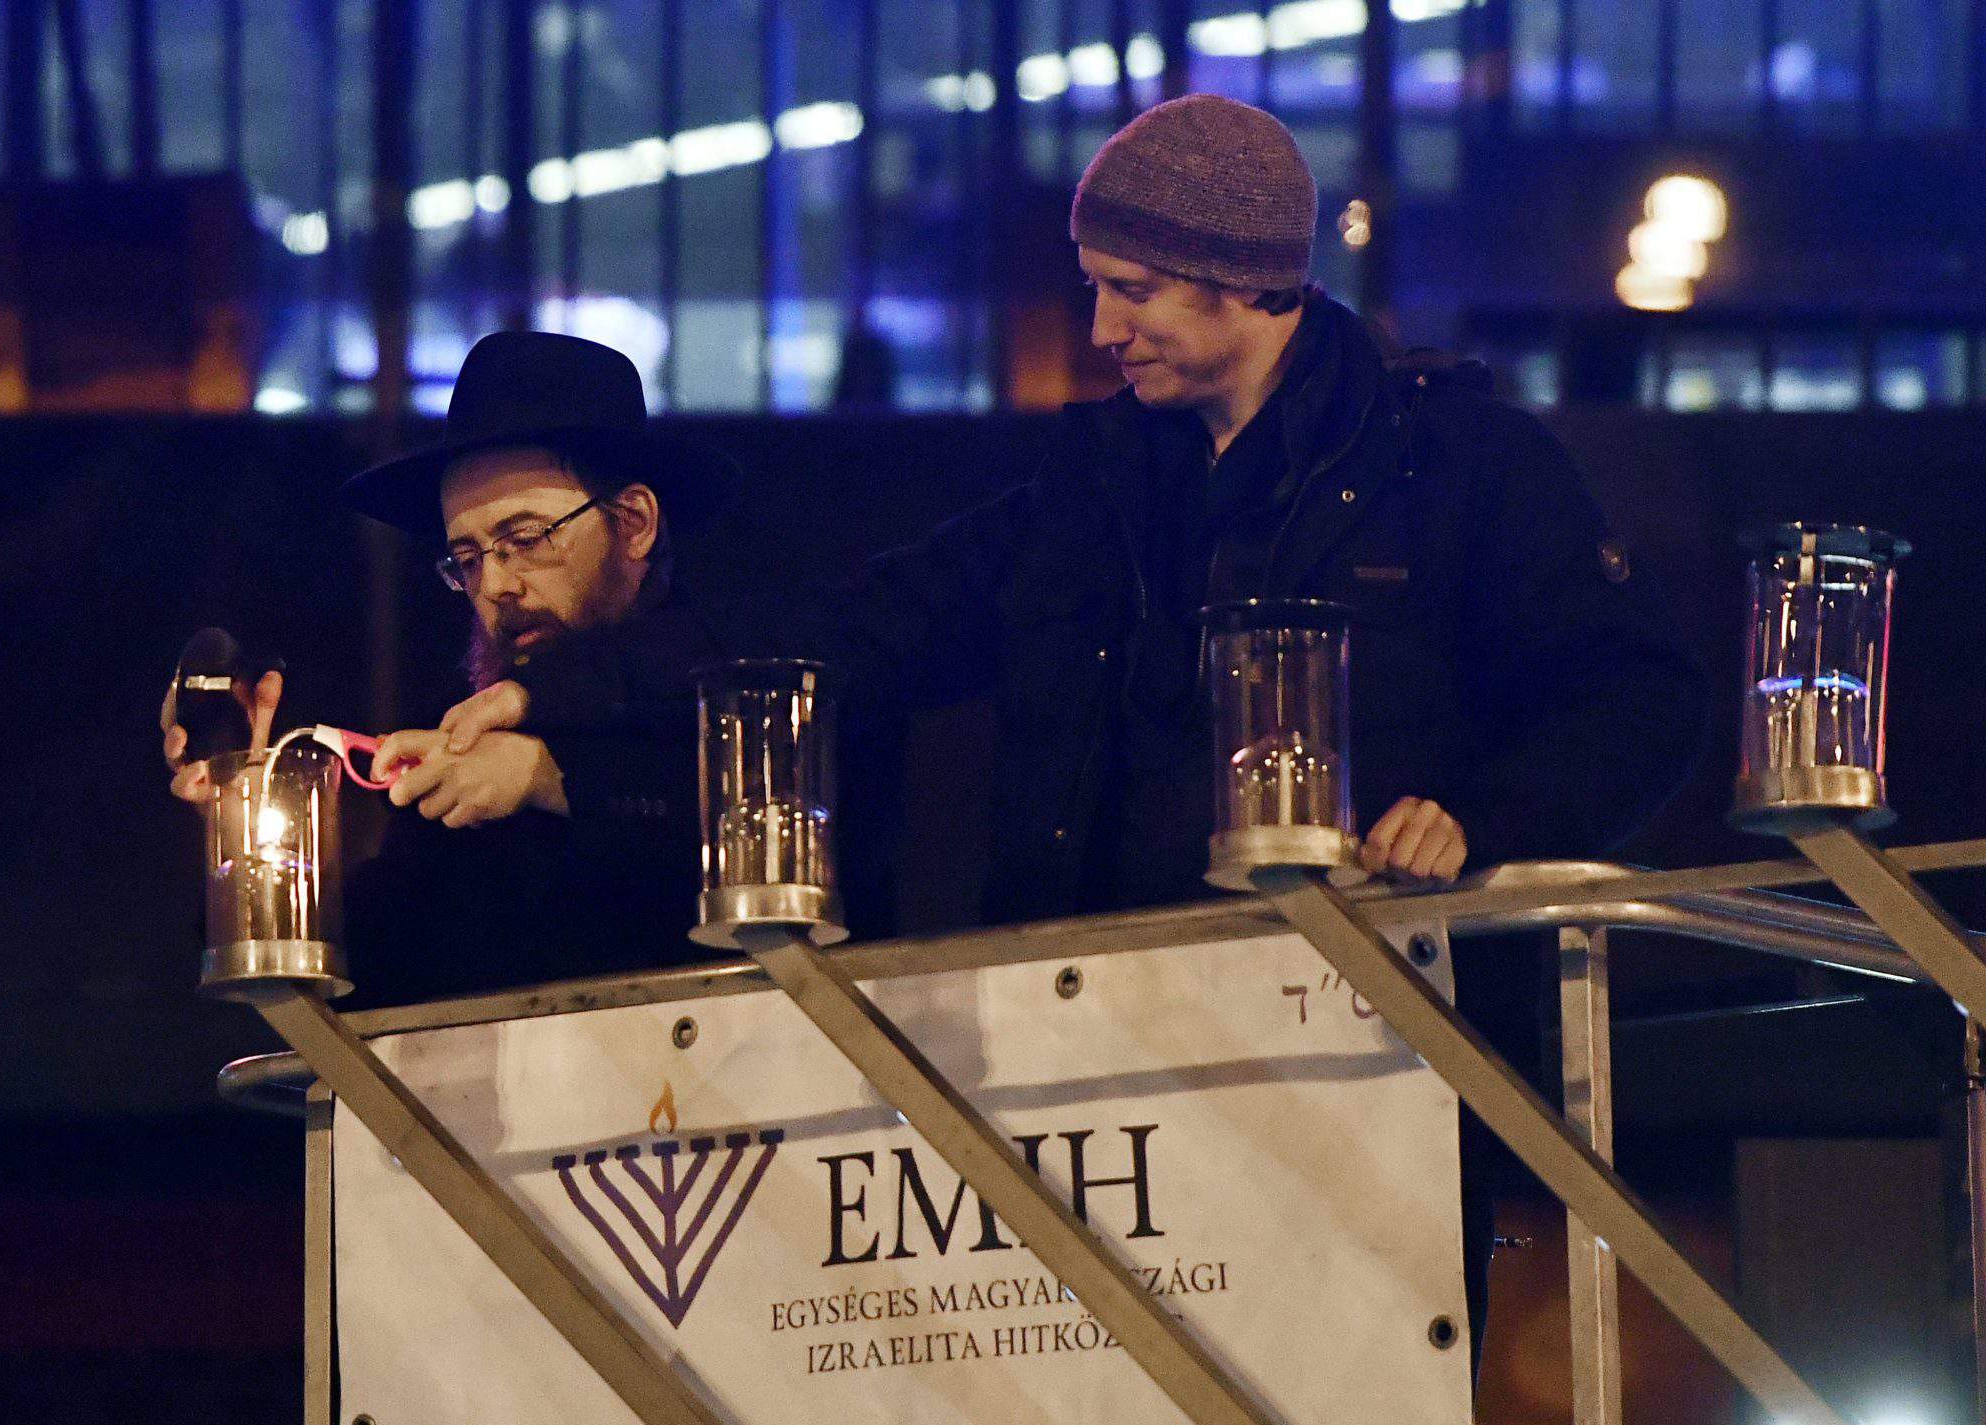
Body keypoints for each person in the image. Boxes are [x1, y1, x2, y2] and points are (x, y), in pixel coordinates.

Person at [443, 96, 1708, 1360]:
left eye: (1133, 289)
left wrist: (1481, 815)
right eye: (1094, 285)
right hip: (1098, 1076)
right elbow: (861, 631)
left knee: (1357, 1399)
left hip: (1366, 1074)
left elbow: (1640, 695)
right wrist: (562, 704)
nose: (1101, 328)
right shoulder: (1093, 480)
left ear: (1247, 279)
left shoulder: (1461, 465)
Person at [163, 332, 730, 1002]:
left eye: (526, 539)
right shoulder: (455, 727)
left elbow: (745, 826)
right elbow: (368, 975)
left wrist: (552, 777)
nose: (495, 586)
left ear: (633, 523)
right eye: (467, 559)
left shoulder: (738, 684)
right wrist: (242, 826)